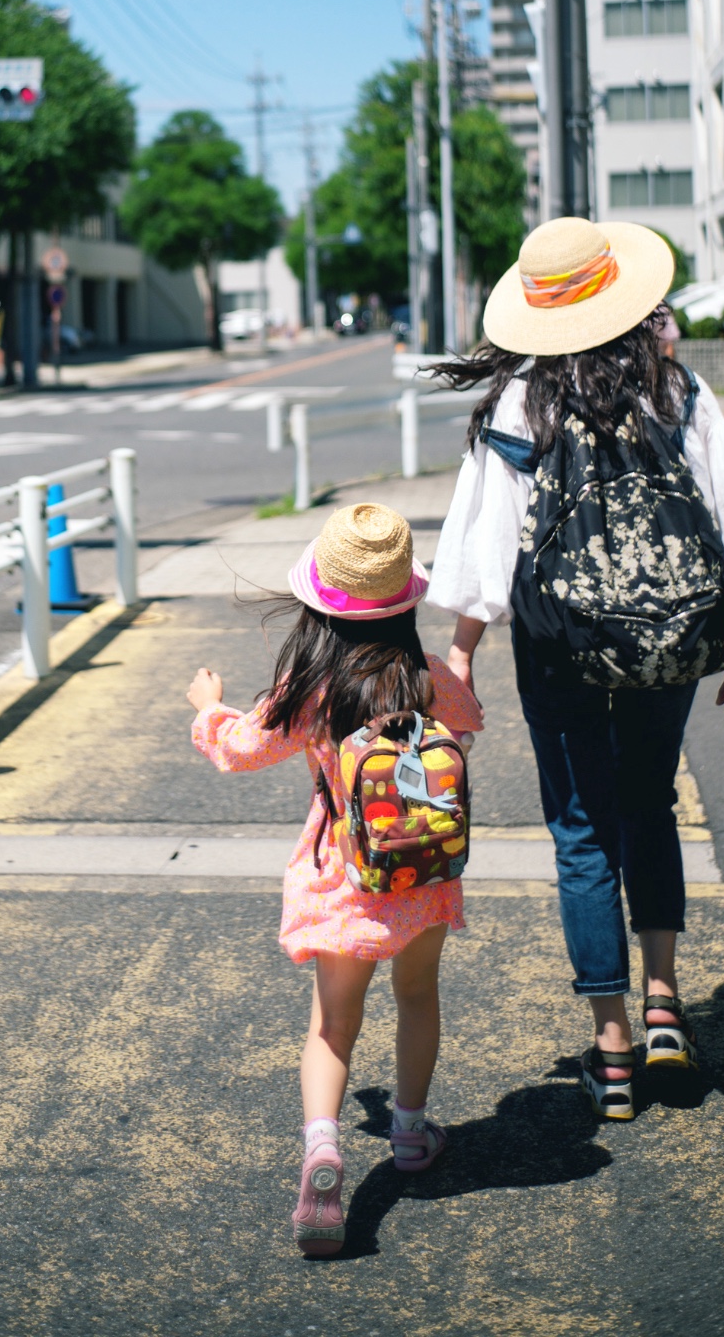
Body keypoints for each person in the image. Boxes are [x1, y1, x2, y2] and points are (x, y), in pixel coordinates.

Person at [428, 216, 724, 1121]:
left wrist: (459, 659)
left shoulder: (519, 405)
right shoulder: (676, 389)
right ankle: (666, 1008)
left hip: (560, 653)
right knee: (650, 804)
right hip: (669, 647)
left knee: (582, 834)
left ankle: (613, 1050)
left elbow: (485, 547)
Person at [187, 501, 483, 1256]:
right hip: (420, 875)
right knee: (417, 997)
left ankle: (323, 1151)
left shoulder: (309, 679)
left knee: (332, 1026)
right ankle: (412, 1136)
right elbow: (470, 722)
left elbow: (243, 750)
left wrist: (209, 709)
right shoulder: (424, 675)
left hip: (345, 877)